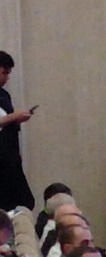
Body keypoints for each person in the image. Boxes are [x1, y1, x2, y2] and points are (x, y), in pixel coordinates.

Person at [0, 51, 35, 211]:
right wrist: (13, 116)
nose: (7, 78)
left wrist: (17, 119)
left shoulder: (4, 95)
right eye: (4, 73)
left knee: (23, 202)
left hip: (9, 157)